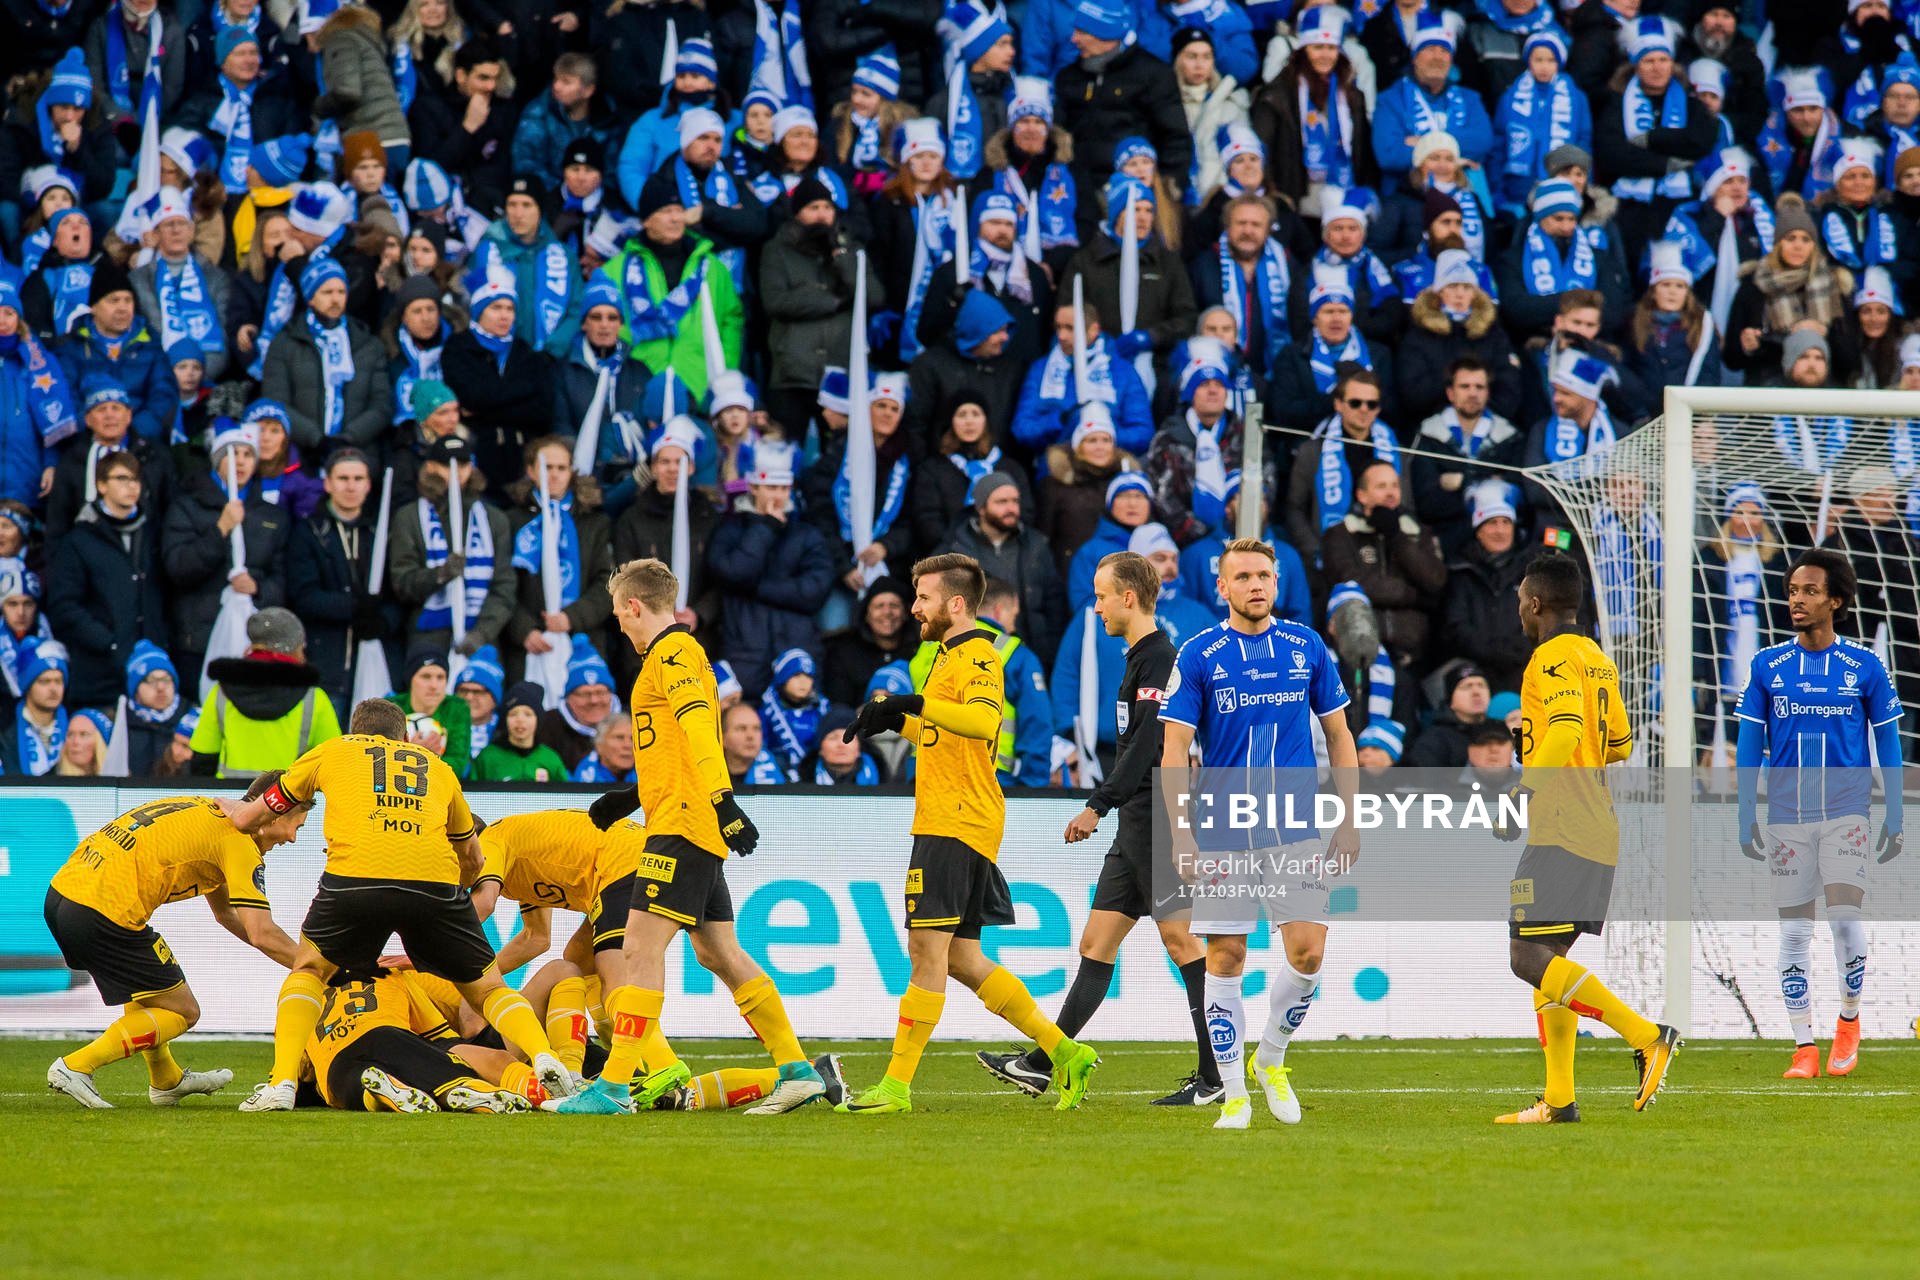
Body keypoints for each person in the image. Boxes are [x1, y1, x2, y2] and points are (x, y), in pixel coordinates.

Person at [558, 558, 828, 1116]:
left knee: (636, 951)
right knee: (719, 952)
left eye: (619, 616)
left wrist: (723, 801)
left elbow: (702, 731)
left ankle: (612, 1087)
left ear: (635, 606)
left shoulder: (673, 653)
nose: (621, 627)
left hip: (683, 824)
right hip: (683, 817)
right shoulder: (673, 657)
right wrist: (632, 795)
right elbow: (677, 745)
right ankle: (798, 1070)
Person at [834, 553, 1100, 1113]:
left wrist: (914, 702)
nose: (914, 608)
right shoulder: (948, 654)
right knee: (961, 959)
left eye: (923, 598)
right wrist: (894, 717)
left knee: (924, 952)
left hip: (954, 820)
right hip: (960, 819)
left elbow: (981, 721)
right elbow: (947, 731)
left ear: (956, 603)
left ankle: (896, 1088)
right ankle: (1064, 1051)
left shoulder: (977, 652)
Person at [227, 697, 572, 1111]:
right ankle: (544, 1056)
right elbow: (473, 858)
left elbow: (249, 820)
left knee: (310, 970)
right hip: (433, 885)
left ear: (354, 731)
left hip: (354, 879)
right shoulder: (438, 769)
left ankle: (282, 1083)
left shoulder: (332, 750)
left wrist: (230, 809)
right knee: (490, 988)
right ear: (405, 736)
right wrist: (454, 896)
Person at [985, 546, 1221, 1101]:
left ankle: (1217, 1075)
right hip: (1137, 817)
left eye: (1101, 597)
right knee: (1097, 941)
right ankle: (1045, 1061)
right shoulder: (1140, 658)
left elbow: (1147, 745)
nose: (1096, 608)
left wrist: (1099, 803)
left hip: (1155, 814)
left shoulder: (1160, 658)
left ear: (1129, 597)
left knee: (1182, 941)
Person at [1158, 536, 1359, 1129]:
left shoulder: (1306, 645)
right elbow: (1174, 751)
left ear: (1277, 584)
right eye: (1242, 576)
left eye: (1264, 576)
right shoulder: (1198, 654)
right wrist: (1180, 833)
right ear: (1221, 587)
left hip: (1295, 827)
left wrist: (1348, 820)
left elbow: (1341, 737)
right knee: (1226, 954)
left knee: (1309, 951)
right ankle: (1234, 1091)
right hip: (1223, 831)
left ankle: (1269, 1059)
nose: (1255, 585)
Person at [1492, 552, 1679, 1124]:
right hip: (1599, 827)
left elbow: (1571, 727)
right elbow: (1618, 742)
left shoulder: (1548, 657)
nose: (1520, 611)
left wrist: (1521, 791)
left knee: (1527, 956)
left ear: (1535, 603)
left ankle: (1647, 1036)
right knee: (1551, 960)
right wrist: (1541, 732)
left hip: (1562, 827)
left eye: (1522, 601)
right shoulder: (1596, 658)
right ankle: (1559, 1099)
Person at [1736, 549, 1905, 1080]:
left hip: (1847, 813)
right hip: (1786, 815)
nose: (1797, 600)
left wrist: (1895, 813)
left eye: (1809, 591)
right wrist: (1746, 813)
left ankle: (1848, 1022)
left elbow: (1889, 742)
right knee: (1793, 933)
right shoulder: (1768, 666)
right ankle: (1803, 1045)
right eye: (1791, 591)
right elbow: (1747, 745)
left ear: (1835, 600)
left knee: (1845, 920)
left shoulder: (1864, 666)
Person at [42, 780, 304, 1108]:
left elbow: (226, 915)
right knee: (183, 1011)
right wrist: (317, 968)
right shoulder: (238, 843)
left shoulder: (208, 810)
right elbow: (262, 932)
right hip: (102, 909)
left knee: (152, 990)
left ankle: (166, 1080)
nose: (292, 838)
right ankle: (77, 1066)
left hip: (61, 895)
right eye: (296, 826)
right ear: (276, 814)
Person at [162, 423, 290, 691]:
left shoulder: (271, 515)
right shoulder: (187, 506)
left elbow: (283, 576)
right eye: (232, 454)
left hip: (252, 638)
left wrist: (258, 589)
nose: (240, 462)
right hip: (198, 638)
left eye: (247, 454)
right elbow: (178, 567)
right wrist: (220, 529)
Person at [706, 441, 838, 699]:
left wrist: (756, 588)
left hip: (796, 655)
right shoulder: (729, 530)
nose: (778, 495)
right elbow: (735, 573)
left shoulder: (807, 534)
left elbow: (814, 591)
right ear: (753, 487)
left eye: (784, 487)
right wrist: (765, 528)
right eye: (771, 487)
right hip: (745, 655)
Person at [43, 445, 169, 711]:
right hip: (99, 677)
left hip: (150, 672)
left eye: (136, 479)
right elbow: (64, 606)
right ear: (101, 485)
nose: (132, 486)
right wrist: (108, 642)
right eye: (122, 479)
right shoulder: (79, 540)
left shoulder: (153, 533)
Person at [387, 435, 515, 658]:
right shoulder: (409, 517)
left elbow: (504, 586)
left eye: (463, 465)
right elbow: (402, 582)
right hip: (428, 639)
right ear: (431, 467)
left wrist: (481, 634)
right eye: (447, 465)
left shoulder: (494, 519)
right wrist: (439, 575)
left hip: (482, 641)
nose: (456, 472)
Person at [503, 436, 614, 684]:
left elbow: (608, 582)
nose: (553, 475)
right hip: (528, 647)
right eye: (546, 467)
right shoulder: (511, 521)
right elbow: (501, 583)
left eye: (561, 468)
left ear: (571, 472)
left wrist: (572, 617)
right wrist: (523, 629)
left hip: (583, 641)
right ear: (531, 471)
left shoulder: (595, 523)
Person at [285, 449, 388, 715]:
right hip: (327, 662)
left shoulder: (380, 532)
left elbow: (396, 591)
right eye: (343, 478)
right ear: (328, 483)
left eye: (358, 478)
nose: (351, 486)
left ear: (368, 485)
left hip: (376, 660)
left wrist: (384, 620)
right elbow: (304, 596)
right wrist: (355, 608)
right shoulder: (308, 532)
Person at [1053, 1, 1190, 197]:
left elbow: (1175, 138)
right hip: (1081, 193)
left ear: (1105, 34)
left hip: (1138, 194)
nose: (1074, 39)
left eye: (1082, 32)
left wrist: (1170, 188)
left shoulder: (1153, 75)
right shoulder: (1068, 78)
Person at [189, 607, 341, 779]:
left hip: (230, 801)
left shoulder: (221, 692)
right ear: (295, 646)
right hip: (289, 802)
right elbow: (333, 762)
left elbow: (203, 758)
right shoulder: (314, 697)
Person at [261, 256, 391, 457]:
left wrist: (349, 438)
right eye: (327, 292)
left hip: (358, 455)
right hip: (302, 455)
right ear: (310, 297)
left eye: (341, 292)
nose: (335, 299)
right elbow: (276, 402)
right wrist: (316, 439)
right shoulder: (285, 343)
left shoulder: (368, 345)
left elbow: (381, 405)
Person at [935, 470, 1068, 666]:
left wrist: (1050, 650)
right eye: (1001, 502)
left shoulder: (1036, 545)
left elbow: (1054, 602)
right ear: (981, 507)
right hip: (972, 659)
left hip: (1031, 656)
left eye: (1015, 501)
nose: (1011, 508)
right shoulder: (953, 552)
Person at [1011, 301, 1155, 456]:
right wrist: (1061, 421)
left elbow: (1143, 433)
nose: (1061, 336)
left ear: (1093, 330)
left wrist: (1100, 434)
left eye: (1070, 328)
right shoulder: (1041, 369)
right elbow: (1022, 429)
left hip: (1109, 464)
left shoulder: (1123, 371)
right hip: (1057, 466)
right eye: (1058, 327)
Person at [1439, 483, 1539, 691]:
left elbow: (1541, 620)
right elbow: (1456, 627)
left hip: (1524, 669)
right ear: (1478, 530)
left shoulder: (1532, 571)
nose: (1500, 530)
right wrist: (1493, 651)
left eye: (1506, 522)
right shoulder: (1461, 572)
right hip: (1475, 671)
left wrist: (1519, 650)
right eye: (1492, 523)